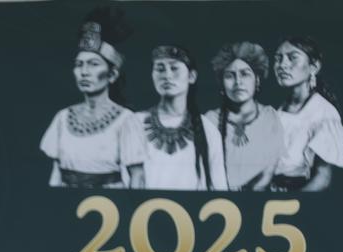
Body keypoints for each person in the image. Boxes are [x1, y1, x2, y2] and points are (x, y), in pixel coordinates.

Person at [40, 8, 146, 188]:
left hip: (109, 201)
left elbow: (138, 176)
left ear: (112, 75)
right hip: (67, 198)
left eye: (93, 64)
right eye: (79, 64)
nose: (84, 72)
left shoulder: (126, 120)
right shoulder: (63, 118)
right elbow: (56, 173)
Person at [136, 45, 228, 191]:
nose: (167, 75)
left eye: (174, 68)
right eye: (160, 69)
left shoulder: (208, 130)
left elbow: (219, 188)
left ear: (191, 76)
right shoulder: (135, 124)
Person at [272, 36, 343, 191]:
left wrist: (291, 202)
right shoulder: (278, 109)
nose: (282, 65)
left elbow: (322, 179)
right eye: (278, 59)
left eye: (292, 57)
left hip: (297, 195)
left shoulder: (324, 113)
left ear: (314, 67)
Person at [205, 42, 284, 191]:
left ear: (257, 80)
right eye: (230, 76)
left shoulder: (270, 117)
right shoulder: (209, 120)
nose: (238, 82)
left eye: (245, 74)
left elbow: (269, 170)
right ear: (222, 84)